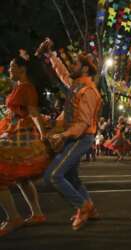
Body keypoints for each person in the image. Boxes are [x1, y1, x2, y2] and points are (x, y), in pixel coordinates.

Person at [38, 38, 102, 230]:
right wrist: (51, 55)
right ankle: (90, 208)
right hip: (74, 136)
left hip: (81, 137)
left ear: (84, 69)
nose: (71, 66)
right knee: (72, 178)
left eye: (75, 64)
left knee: (54, 176)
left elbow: (82, 124)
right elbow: (63, 73)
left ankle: (81, 206)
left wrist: (63, 135)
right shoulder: (77, 85)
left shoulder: (88, 91)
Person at [0, 55, 50, 236]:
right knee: (22, 177)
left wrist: (42, 133)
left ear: (23, 69)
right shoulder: (19, 87)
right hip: (14, 132)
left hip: (21, 135)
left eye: (12, 66)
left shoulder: (27, 88)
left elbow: (34, 112)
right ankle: (37, 214)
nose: (9, 69)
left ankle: (13, 218)